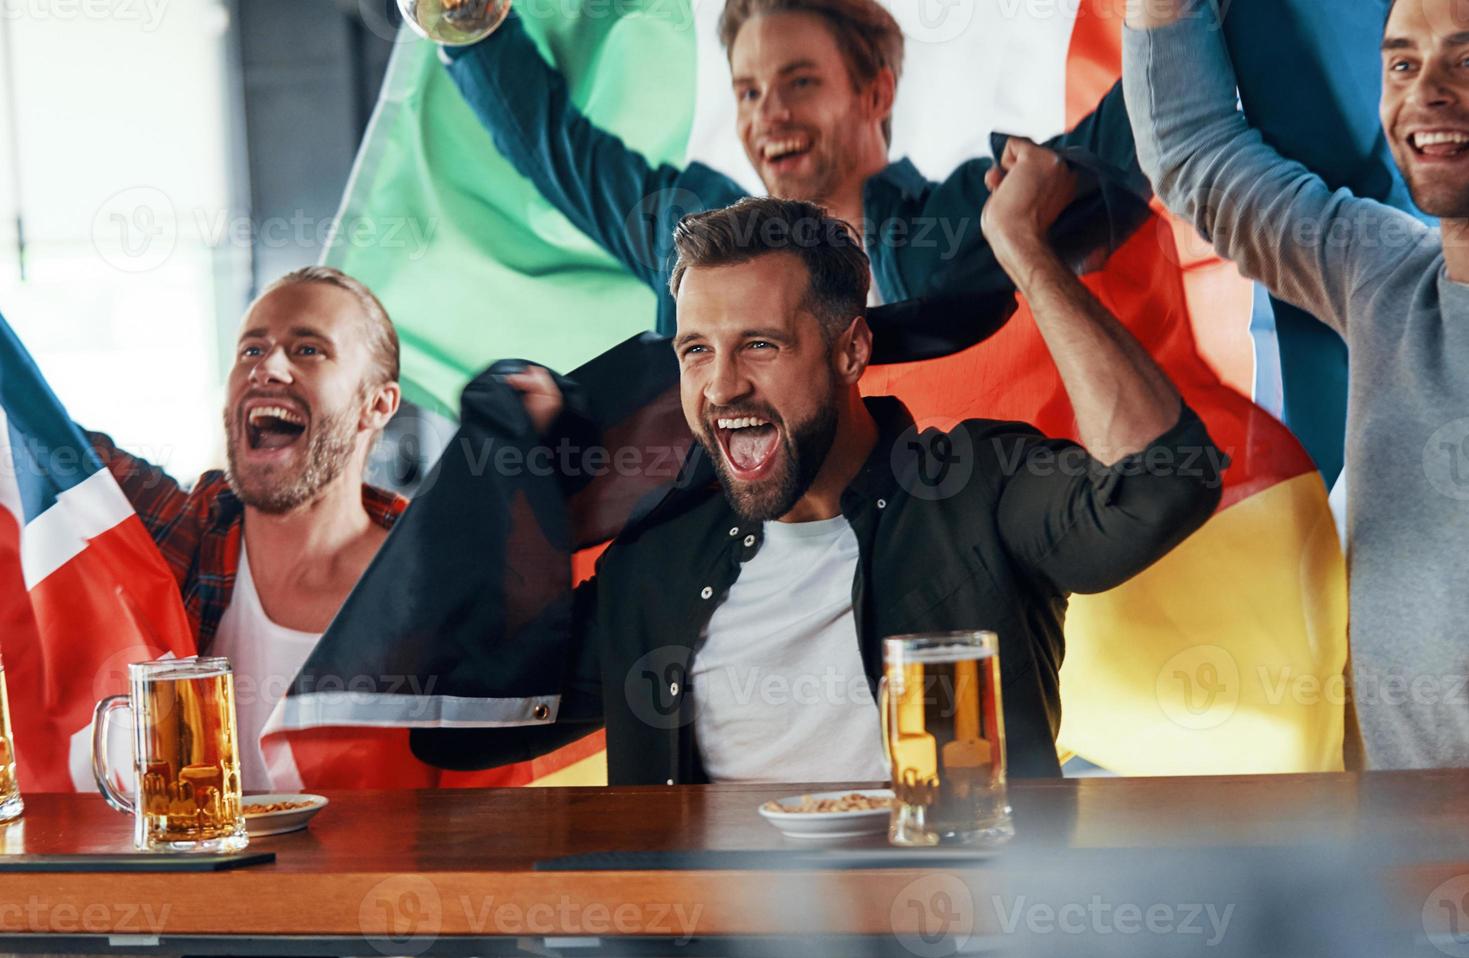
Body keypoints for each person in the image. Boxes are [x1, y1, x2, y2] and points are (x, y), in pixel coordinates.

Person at [412, 161, 1224, 784]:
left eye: (759, 345)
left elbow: (1160, 487)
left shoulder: (976, 487)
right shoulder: (656, 565)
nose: (722, 386)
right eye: (697, 350)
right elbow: (458, 722)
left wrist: (1022, 247)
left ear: (850, 351)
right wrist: (501, 470)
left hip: (960, 946)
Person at [1123, 0, 1469, 768]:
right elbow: (1192, 148)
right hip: (1398, 861)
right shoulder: (1377, 275)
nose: (1427, 92)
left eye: (1465, 61)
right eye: (1402, 65)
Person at [438, 0, 1143, 336]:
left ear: (875, 93)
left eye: (800, 82)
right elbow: (553, 144)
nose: (766, 113)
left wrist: (1173, 21)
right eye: (747, 92)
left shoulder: (972, 216)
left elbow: (1131, 131)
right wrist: (464, 20)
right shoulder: (687, 235)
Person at [91, 265, 404, 792]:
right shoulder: (176, 534)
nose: (267, 368)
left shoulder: (436, 583)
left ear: (377, 405)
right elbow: (39, 450)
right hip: (186, 873)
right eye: (251, 351)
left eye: (309, 350)